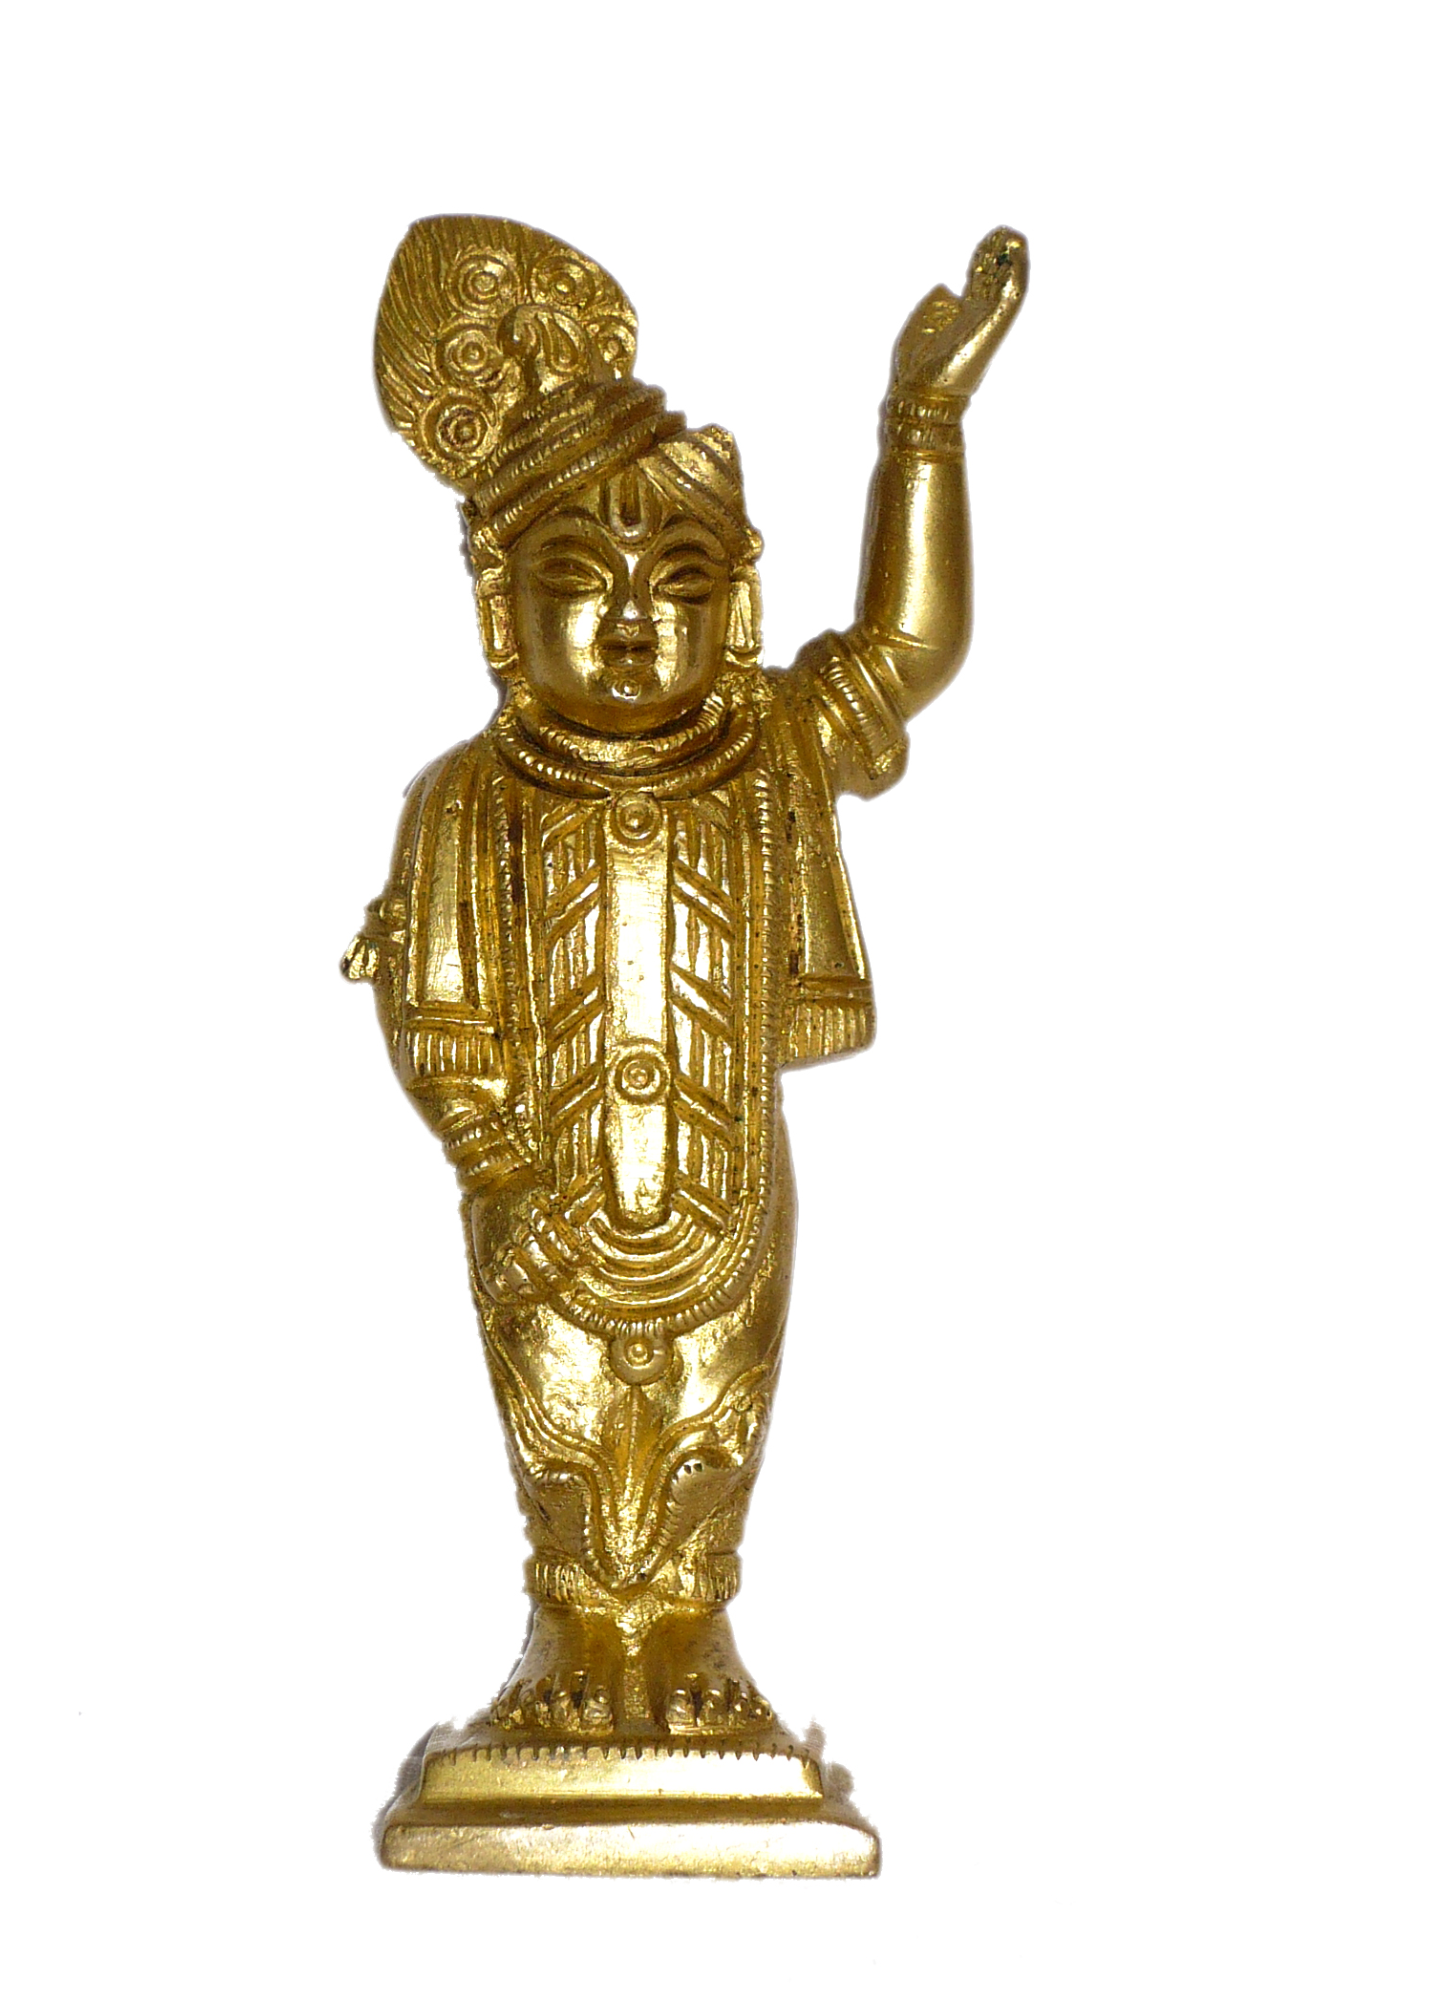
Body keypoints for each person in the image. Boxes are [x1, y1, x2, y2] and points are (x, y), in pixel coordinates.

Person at [345, 214, 1027, 1742]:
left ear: (743, 606)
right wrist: (496, 1167)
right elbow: (438, 1013)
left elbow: (910, 646)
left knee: (718, 1407)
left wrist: (922, 425)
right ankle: (572, 1642)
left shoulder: (767, 748)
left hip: (729, 1175)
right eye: (582, 582)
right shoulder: (469, 800)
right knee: (563, 1424)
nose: (638, 627)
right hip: (542, 1192)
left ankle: (696, 1636)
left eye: (683, 582)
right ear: (497, 610)